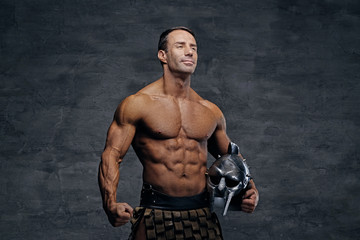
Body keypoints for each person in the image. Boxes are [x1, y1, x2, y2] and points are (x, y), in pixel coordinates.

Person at [98, 26, 259, 240]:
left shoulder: (210, 110)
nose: (189, 51)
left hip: (201, 213)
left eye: (193, 47)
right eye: (180, 46)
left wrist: (251, 189)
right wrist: (110, 203)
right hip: (156, 211)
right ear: (162, 55)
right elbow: (112, 154)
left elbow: (232, 156)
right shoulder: (138, 104)